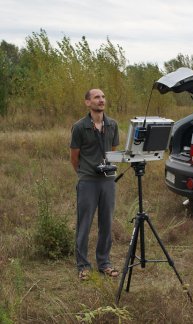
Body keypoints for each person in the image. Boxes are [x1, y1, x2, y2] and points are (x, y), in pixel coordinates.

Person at [70, 89, 120, 280]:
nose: (101, 100)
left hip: (107, 181)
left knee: (106, 223)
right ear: (87, 103)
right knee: (84, 223)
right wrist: (85, 174)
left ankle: (104, 263)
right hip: (88, 181)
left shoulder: (112, 125)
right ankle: (83, 266)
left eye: (103, 97)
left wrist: (105, 172)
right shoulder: (79, 127)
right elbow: (74, 158)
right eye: (97, 97)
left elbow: (113, 152)